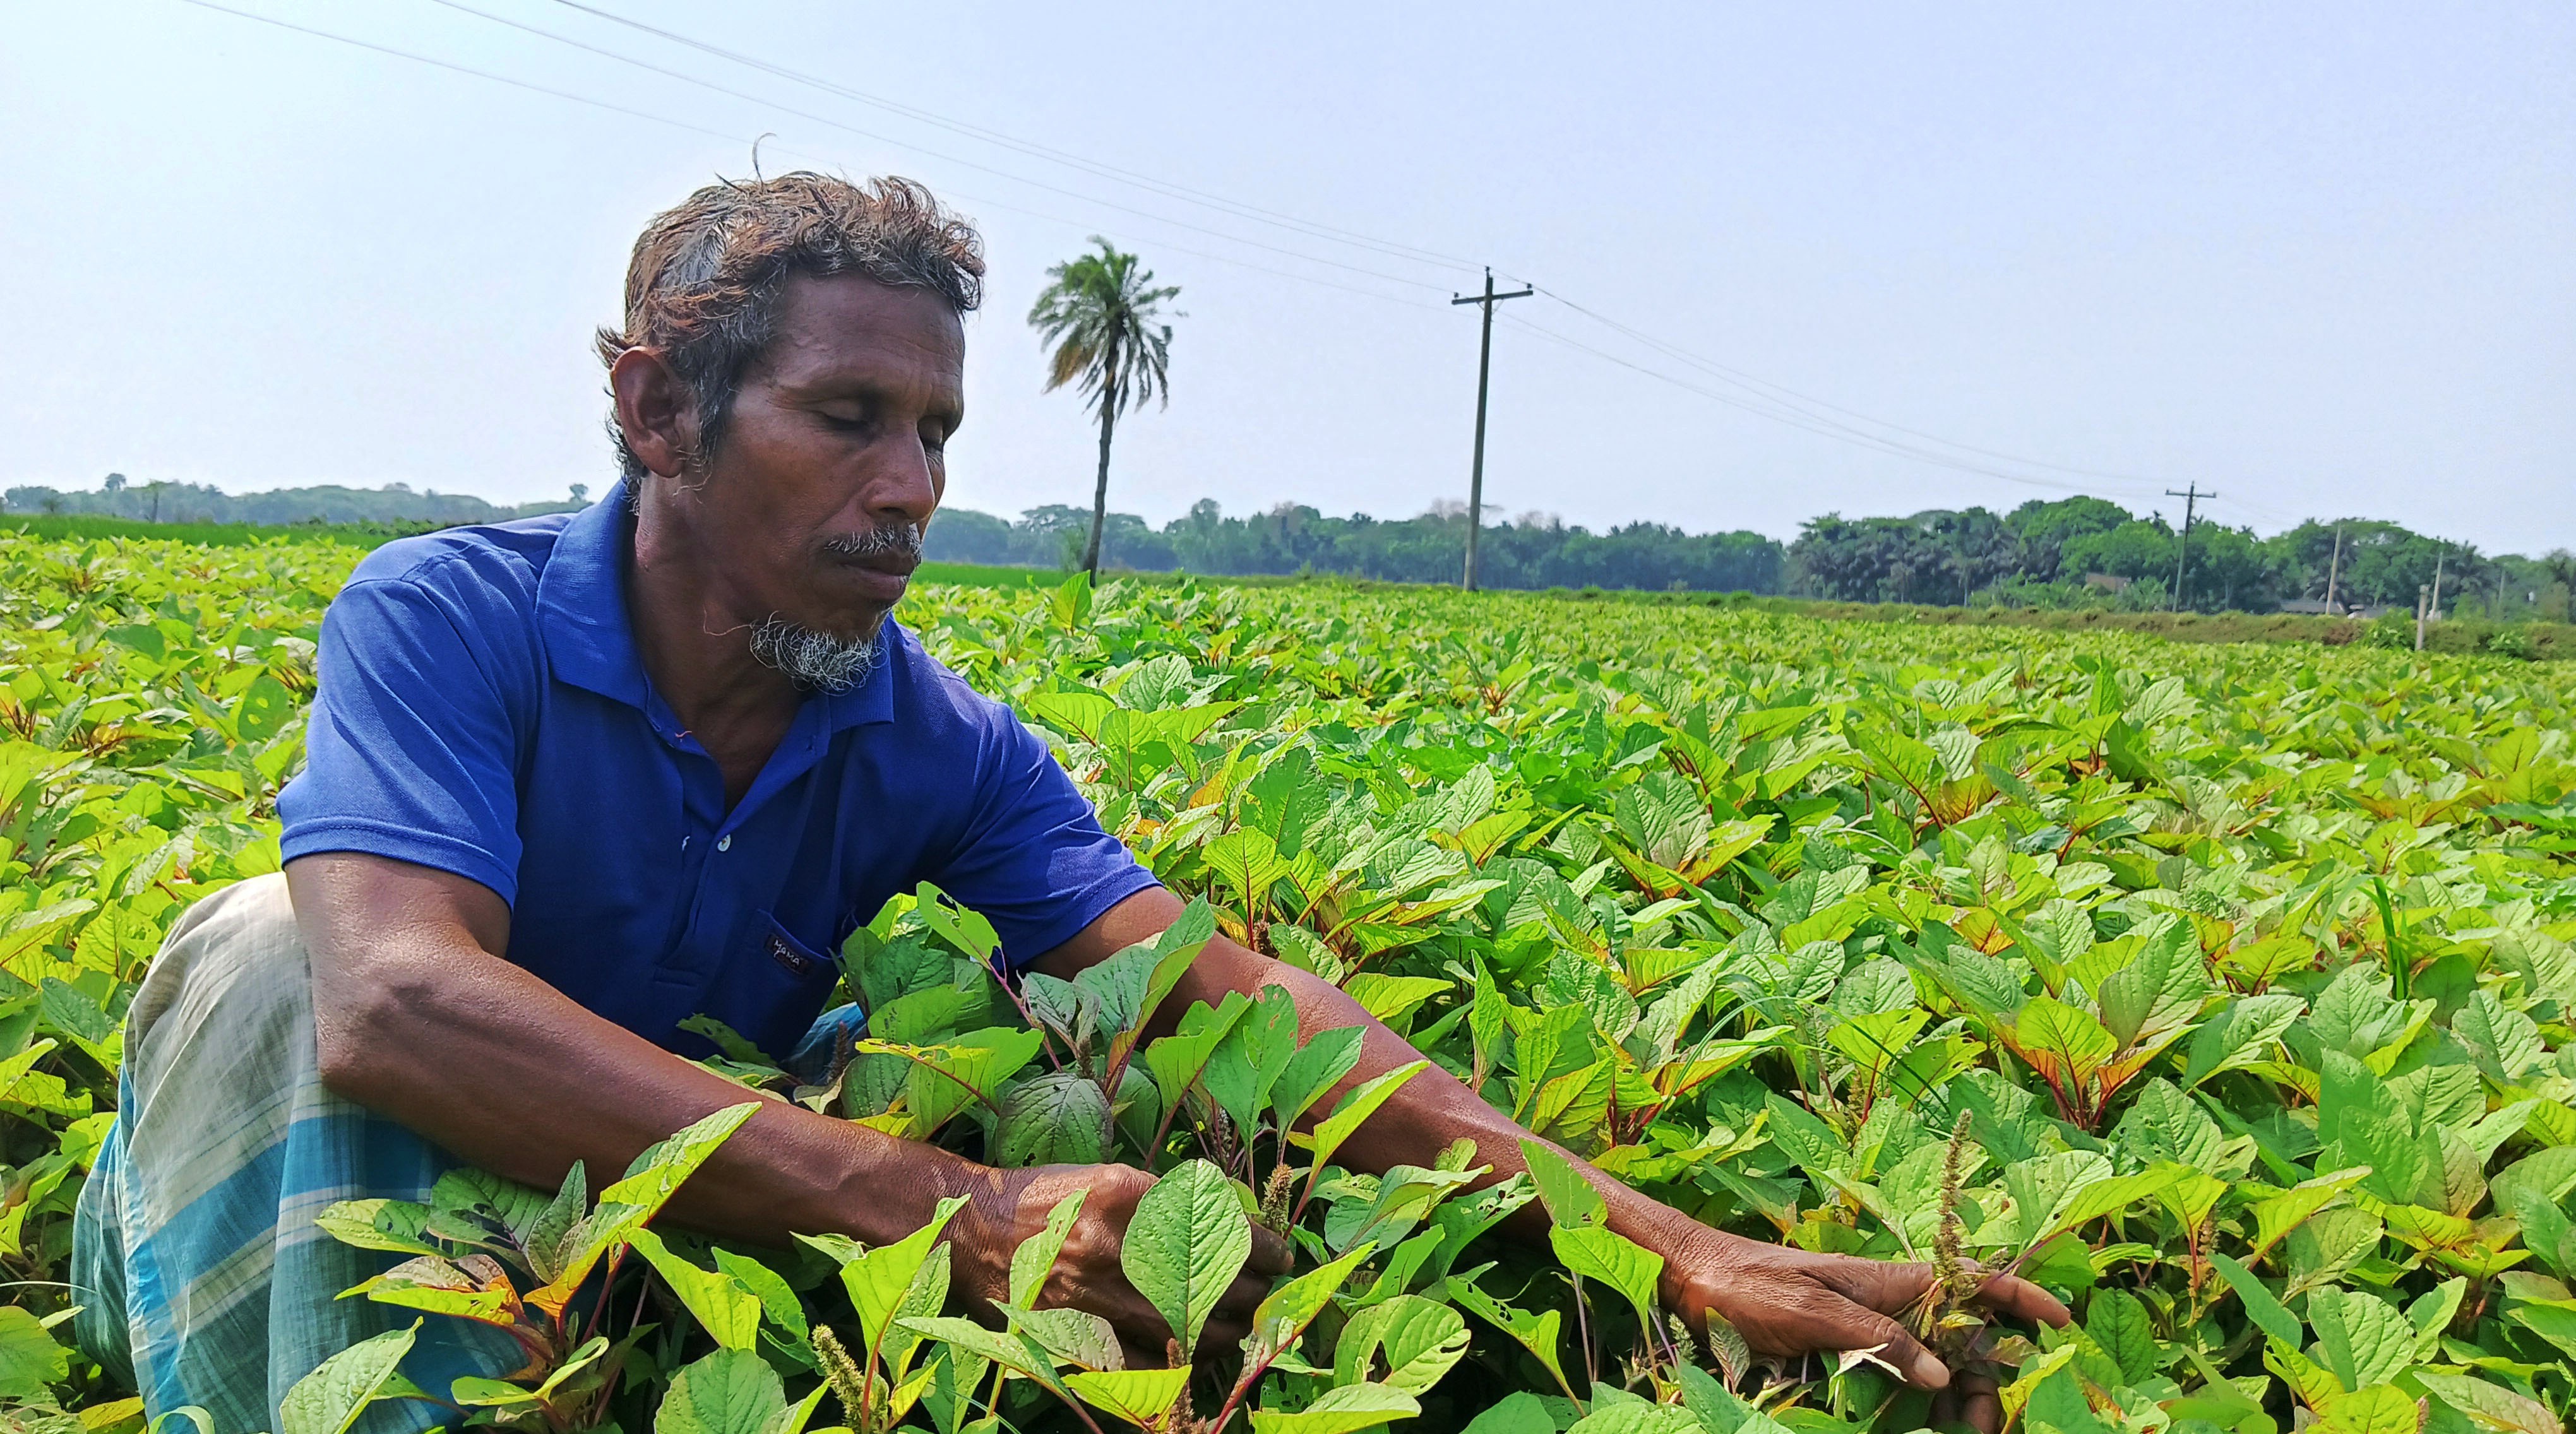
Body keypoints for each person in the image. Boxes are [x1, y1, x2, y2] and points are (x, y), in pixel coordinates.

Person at [72, 174, 2063, 1434]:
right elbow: (395, 1008)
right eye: (847, 417)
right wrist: (941, 1209)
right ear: (659, 413)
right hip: (246, 1227)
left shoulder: (925, 735)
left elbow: (1221, 994)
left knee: (1092, 1081)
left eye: (936, 428)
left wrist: (1645, 1233)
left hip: (573, 1235)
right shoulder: (454, 619)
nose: (914, 485)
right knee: (270, 949)